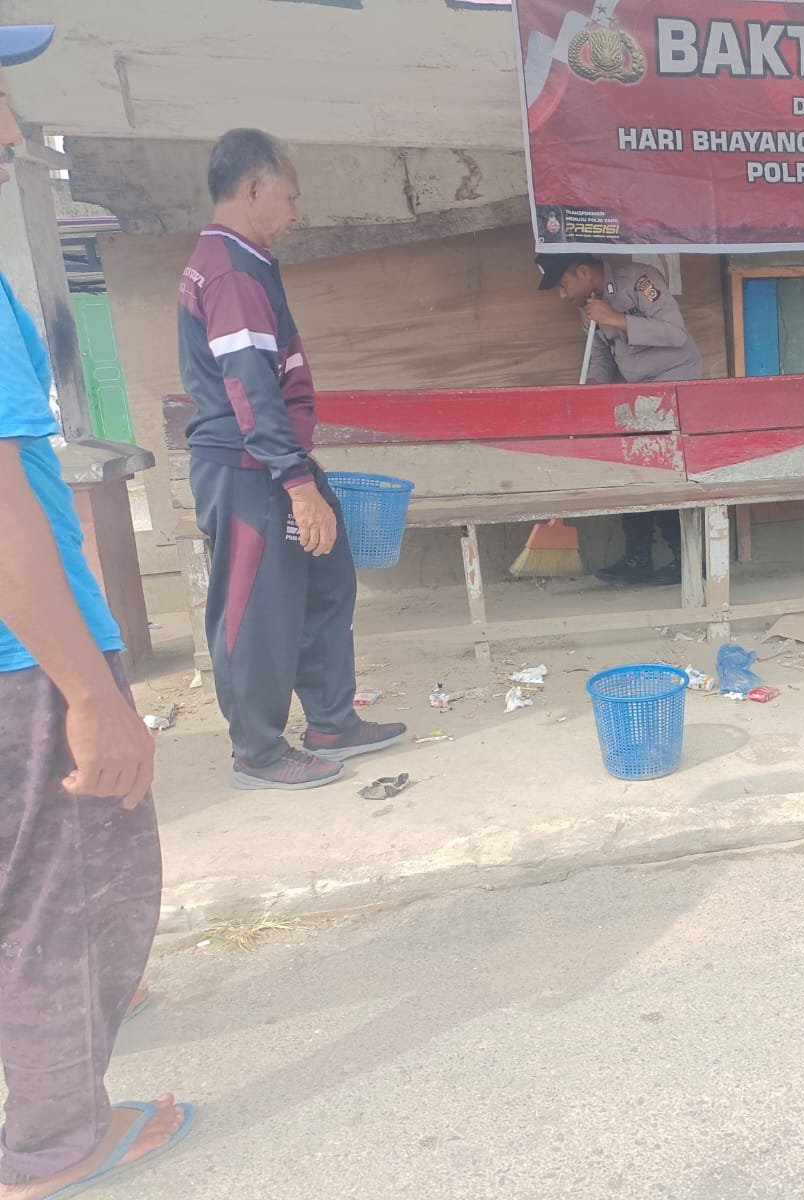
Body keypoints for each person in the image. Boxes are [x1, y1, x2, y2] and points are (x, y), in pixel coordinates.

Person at [0, 23, 196, 1198]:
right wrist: (86, 693)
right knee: (71, 894)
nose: (11, 128)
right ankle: (57, 1135)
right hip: (26, 661)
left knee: (35, 888)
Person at [180, 129, 405, 790]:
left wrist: (303, 478)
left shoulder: (246, 260)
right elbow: (249, 383)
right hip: (250, 469)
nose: (295, 213)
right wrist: (296, 482)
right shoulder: (228, 268)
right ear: (253, 189)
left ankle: (333, 719)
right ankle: (257, 748)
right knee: (255, 609)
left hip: (277, 461)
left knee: (327, 581)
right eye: (290, 196)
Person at [538, 253, 703, 587]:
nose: (562, 294)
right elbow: (598, 353)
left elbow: (676, 334)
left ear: (583, 271)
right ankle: (637, 557)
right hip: (638, 396)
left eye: (563, 283)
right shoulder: (588, 307)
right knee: (633, 472)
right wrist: (591, 389)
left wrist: (616, 318)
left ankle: (685, 558)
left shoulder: (640, 281)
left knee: (665, 474)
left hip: (676, 388)